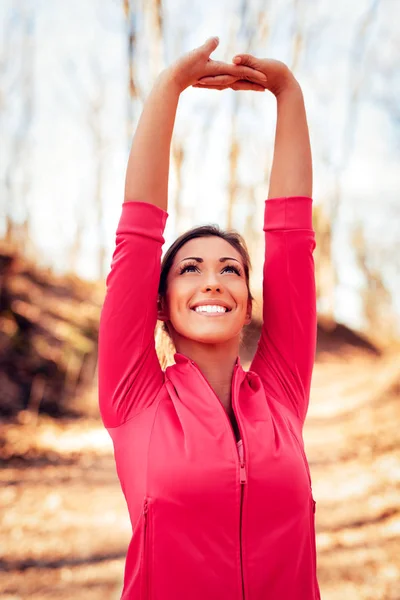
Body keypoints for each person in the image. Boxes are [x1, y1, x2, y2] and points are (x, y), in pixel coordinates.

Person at [98, 36, 320, 600]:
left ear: (248, 302)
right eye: (190, 269)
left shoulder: (283, 397)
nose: (212, 281)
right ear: (159, 303)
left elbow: (292, 242)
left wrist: (287, 93)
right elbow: (138, 235)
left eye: (230, 270)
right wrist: (169, 88)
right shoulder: (135, 401)